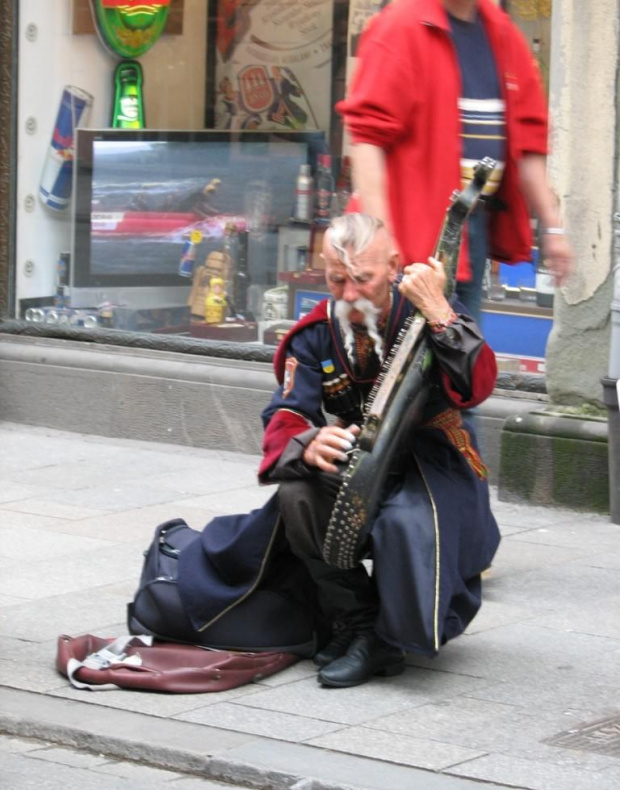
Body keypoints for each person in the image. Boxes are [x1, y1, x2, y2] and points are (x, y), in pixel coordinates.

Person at [177, 213, 500, 689]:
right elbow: (286, 414)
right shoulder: (314, 334)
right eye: (336, 280)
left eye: (363, 279)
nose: (349, 294)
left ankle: (390, 641)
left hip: (432, 460)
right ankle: (357, 622)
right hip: (362, 456)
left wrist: (439, 315)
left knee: (404, 523)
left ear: (393, 266)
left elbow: (478, 385)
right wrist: (307, 443)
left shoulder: (428, 306)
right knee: (298, 495)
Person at [337, 0, 572, 321]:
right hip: (408, 237)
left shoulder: (501, 32)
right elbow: (367, 139)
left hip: (470, 231)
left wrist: (554, 230)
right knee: (398, 363)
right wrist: (381, 241)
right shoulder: (401, 25)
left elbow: (528, 142)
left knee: (459, 357)